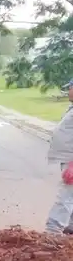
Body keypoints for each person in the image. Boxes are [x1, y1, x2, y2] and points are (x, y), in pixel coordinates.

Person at [46, 79, 73, 234]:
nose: (68, 91)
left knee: (67, 195)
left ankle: (53, 231)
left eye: (70, 88)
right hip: (68, 158)